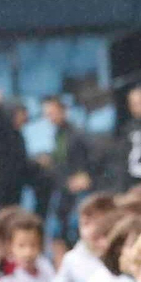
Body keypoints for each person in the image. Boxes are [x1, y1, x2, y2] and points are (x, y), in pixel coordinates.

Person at [40, 96, 99, 244]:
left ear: (63, 111)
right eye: (47, 114)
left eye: (52, 112)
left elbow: (95, 155)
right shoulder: (57, 135)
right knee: (59, 232)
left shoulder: (77, 133)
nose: (50, 117)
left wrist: (87, 175)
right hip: (63, 188)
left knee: (77, 228)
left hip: (78, 191)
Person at [0, 92, 34, 212]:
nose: (25, 117)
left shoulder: (19, 136)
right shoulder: (3, 133)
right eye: (21, 113)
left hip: (14, 189)